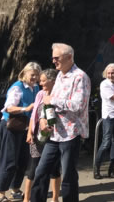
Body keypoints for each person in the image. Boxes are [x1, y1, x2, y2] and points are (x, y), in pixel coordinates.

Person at [30, 43, 90, 202]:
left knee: (68, 176)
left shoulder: (80, 77)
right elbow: (48, 103)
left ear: (69, 57)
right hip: (54, 133)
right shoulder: (59, 77)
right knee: (41, 171)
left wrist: (54, 100)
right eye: (53, 58)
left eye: (57, 58)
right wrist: (43, 118)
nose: (53, 61)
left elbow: (79, 105)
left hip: (70, 134)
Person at [0, 62, 41, 202]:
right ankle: (0, 194)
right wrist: (25, 109)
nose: (34, 77)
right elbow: (8, 108)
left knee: (23, 160)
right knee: (9, 161)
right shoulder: (17, 87)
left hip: (25, 127)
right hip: (11, 126)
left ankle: (15, 189)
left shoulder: (36, 88)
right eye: (32, 74)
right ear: (25, 73)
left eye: (37, 75)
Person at [23, 69, 61, 202]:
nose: (40, 83)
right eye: (41, 80)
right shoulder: (40, 94)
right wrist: (29, 132)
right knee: (33, 168)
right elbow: (34, 115)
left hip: (54, 138)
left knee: (54, 169)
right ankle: (27, 199)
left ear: (53, 81)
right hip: (38, 137)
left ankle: (55, 198)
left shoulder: (59, 95)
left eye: (44, 80)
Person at [94, 63, 114, 179]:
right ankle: (96, 169)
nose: (111, 75)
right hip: (109, 116)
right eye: (108, 73)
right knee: (106, 142)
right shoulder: (104, 84)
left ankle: (111, 170)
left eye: (113, 73)